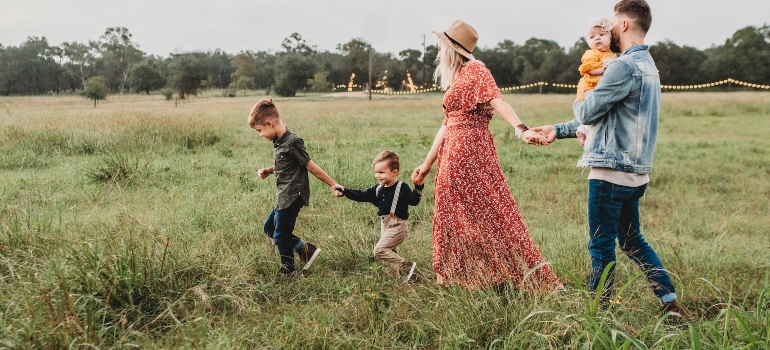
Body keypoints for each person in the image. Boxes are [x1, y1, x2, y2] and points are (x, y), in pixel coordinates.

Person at [533, 0, 692, 318]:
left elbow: (589, 111)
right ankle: (670, 302)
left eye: (612, 24)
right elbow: (610, 117)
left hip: (609, 173)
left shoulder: (622, 66)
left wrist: (582, 93)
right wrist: (558, 130)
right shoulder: (649, 66)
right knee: (633, 241)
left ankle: (597, 313)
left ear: (624, 26)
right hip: (636, 174)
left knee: (600, 244)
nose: (607, 30)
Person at [411, 20, 561, 291]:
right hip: (451, 152)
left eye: (441, 44)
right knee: (450, 213)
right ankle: (458, 277)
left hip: (470, 151)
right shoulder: (456, 77)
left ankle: (509, 274)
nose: (436, 48)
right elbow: (446, 124)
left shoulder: (476, 71)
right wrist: (427, 163)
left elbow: (498, 100)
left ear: (452, 48)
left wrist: (521, 129)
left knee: (490, 212)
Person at [249, 99, 343, 276]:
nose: (260, 135)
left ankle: (288, 270)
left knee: (280, 236)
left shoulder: (293, 141)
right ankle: (306, 249)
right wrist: (269, 170)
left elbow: (310, 166)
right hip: (283, 196)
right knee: (269, 228)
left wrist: (333, 184)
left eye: (260, 130)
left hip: (293, 196)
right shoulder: (279, 141)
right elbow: (285, 164)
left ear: (269, 123)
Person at [334, 151, 424, 282]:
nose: (377, 175)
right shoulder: (378, 189)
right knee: (388, 256)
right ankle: (396, 282)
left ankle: (405, 265)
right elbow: (361, 195)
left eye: (381, 172)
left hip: (398, 225)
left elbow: (413, 201)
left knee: (379, 250)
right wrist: (344, 191)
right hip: (385, 225)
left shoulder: (401, 187)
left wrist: (418, 187)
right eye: (376, 172)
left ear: (394, 172)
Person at [575, 17, 616, 152]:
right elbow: (587, 68)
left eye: (602, 35)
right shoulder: (591, 53)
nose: (597, 38)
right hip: (588, 86)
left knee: (599, 109)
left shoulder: (612, 54)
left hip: (599, 86)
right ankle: (586, 134)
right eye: (592, 37)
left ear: (610, 38)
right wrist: (602, 70)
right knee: (593, 103)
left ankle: (582, 129)